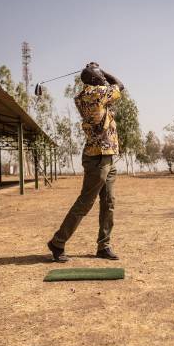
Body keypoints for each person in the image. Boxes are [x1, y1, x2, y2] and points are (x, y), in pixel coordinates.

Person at [47, 62, 124, 262]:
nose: (104, 79)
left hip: (105, 156)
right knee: (85, 203)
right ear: (93, 80)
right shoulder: (97, 93)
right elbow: (120, 84)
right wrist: (102, 68)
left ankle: (104, 246)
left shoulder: (83, 96)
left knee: (108, 202)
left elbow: (108, 85)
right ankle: (58, 242)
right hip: (98, 158)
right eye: (100, 77)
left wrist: (95, 70)